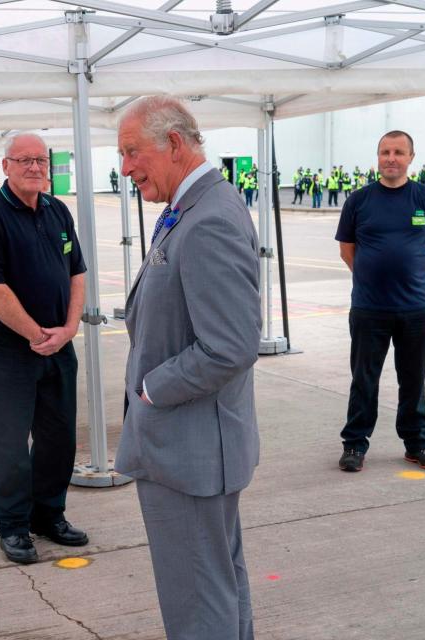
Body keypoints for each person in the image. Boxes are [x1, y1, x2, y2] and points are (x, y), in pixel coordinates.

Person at [115, 96, 260, 640]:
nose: (126, 167)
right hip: (194, 448)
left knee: (198, 604)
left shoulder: (208, 220)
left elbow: (230, 345)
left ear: (174, 143)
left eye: (133, 151)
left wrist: (152, 388)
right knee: (216, 588)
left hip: (189, 451)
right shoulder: (195, 208)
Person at [0, 133, 88, 565]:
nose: (35, 167)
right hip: (7, 350)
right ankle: (13, 526)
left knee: (59, 438)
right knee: (9, 444)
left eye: (41, 160)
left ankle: (49, 514)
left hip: (58, 344)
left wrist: (69, 328)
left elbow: (76, 273)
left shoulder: (57, 211)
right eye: (25, 160)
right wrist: (36, 333)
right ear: (6, 166)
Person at [335, 130, 425, 473]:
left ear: (411, 157)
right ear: (378, 157)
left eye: (399, 152)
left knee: (413, 379)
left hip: (416, 308)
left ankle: (417, 444)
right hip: (370, 308)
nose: (391, 158)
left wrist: (408, 276)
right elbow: (347, 249)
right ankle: (355, 444)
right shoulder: (359, 200)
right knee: (364, 380)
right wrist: (373, 278)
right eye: (385, 152)